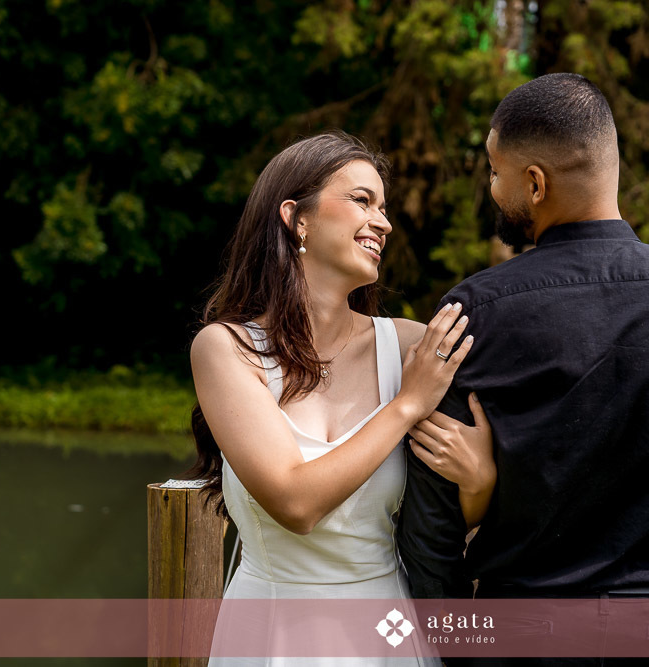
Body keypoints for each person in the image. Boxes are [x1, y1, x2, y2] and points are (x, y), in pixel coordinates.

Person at [397, 73, 649, 666]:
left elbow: (433, 526)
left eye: (495, 172)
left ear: (535, 183)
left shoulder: (471, 316)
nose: (491, 186)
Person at [185, 131, 497, 666]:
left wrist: (480, 481)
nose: (384, 222)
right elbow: (295, 503)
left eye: (384, 207)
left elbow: (451, 521)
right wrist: (406, 406)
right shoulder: (225, 350)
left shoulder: (410, 347)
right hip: (268, 632)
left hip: (389, 631)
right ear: (295, 217)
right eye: (362, 200)